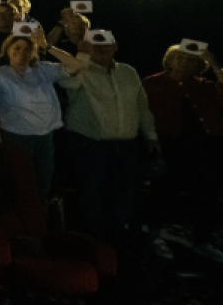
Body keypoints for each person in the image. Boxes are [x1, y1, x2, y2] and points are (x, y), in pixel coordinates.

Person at [57, 35, 158, 244]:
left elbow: (141, 105)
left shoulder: (128, 71)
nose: (102, 49)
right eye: (96, 45)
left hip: (125, 145)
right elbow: (67, 82)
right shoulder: (79, 69)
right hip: (89, 144)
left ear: (115, 46)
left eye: (106, 45)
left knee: (122, 195)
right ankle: (95, 244)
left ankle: (116, 242)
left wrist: (150, 134)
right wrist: (81, 56)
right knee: (92, 194)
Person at [141, 46, 223, 262]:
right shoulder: (152, 83)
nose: (185, 62)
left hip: (203, 145)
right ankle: (155, 236)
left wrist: (213, 63)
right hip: (168, 143)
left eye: (190, 59)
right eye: (180, 58)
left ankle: (202, 241)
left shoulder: (204, 85)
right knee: (163, 189)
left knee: (206, 191)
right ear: (170, 59)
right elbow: (142, 112)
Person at [0, 31, 82, 200]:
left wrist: (47, 45)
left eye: (27, 49)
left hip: (45, 138)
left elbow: (75, 66)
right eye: (17, 48)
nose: (22, 52)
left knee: (42, 186)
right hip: (16, 137)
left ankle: (39, 220)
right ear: (7, 50)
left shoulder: (43, 69)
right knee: (19, 187)